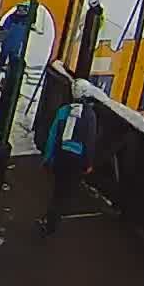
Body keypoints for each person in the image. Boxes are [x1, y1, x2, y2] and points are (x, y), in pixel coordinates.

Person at [40, 95, 92, 235]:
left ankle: (50, 220)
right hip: (77, 159)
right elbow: (89, 140)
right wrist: (87, 163)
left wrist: (48, 157)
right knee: (65, 192)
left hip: (61, 155)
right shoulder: (90, 114)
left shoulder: (63, 110)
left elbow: (53, 134)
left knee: (58, 189)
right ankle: (53, 220)